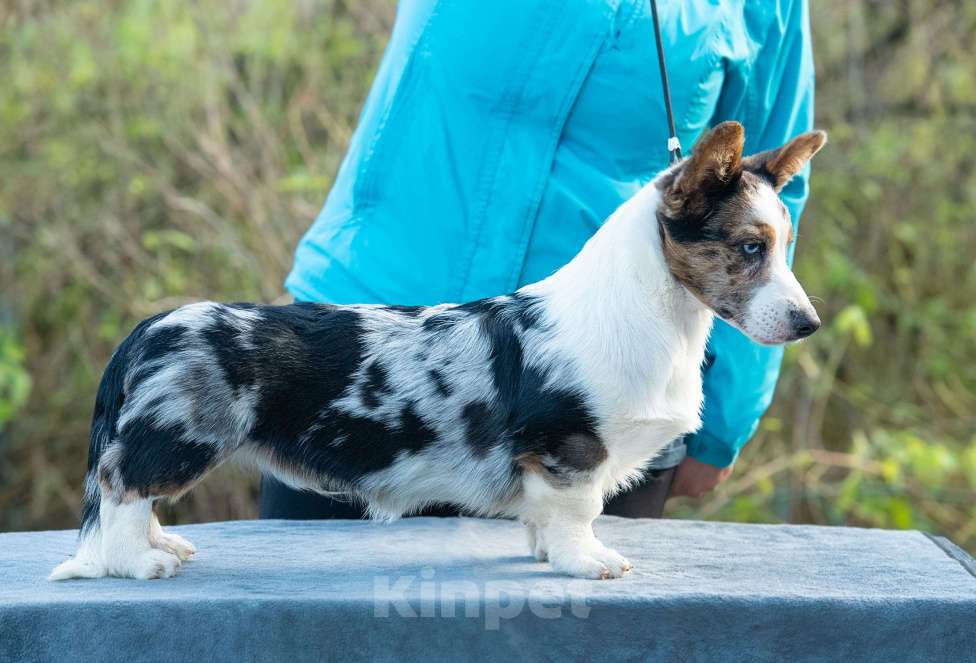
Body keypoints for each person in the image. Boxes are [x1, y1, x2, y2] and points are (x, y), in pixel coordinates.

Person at [261, 0, 815, 519]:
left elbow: (769, 192)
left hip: (609, 393)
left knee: (564, 616)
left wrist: (724, 422)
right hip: (362, 358)